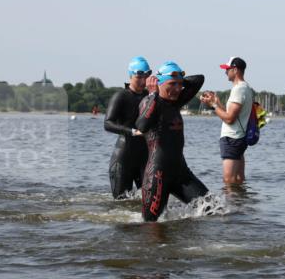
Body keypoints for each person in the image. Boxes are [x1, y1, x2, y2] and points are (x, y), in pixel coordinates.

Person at [135, 62, 208, 222]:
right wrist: (154, 93)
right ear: (158, 83)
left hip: (181, 174)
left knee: (212, 208)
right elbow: (141, 125)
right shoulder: (149, 102)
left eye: (180, 85)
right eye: (172, 84)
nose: (177, 89)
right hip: (157, 176)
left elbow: (199, 80)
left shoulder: (175, 102)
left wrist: (177, 77)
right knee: (150, 226)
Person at [200, 56, 253, 185]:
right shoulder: (245, 88)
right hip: (238, 138)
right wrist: (217, 103)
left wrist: (212, 105)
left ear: (235, 70)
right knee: (238, 180)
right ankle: (239, 204)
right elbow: (231, 114)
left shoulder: (239, 89)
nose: (225, 72)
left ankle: (231, 205)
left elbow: (229, 119)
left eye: (227, 69)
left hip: (232, 139)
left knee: (229, 180)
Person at [104, 56, 152, 198]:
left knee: (149, 199)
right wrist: (132, 131)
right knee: (121, 203)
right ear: (131, 75)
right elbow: (107, 123)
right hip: (123, 158)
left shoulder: (150, 96)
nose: (143, 80)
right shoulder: (121, 96)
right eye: (139, 77)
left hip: (144, 158)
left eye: (146, 76)